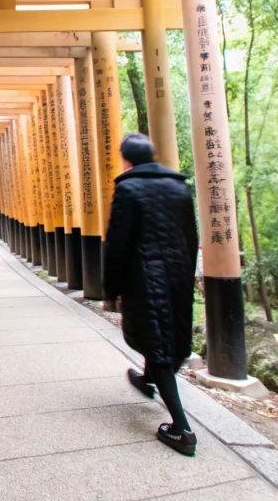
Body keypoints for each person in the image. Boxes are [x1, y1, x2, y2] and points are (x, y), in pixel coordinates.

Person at [103, 133, 199, 456]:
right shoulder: (179, 187)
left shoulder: (128, 188)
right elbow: (191, 235)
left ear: (127, 159)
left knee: (155, 339)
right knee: (164, 331)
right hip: (178, 270)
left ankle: (181, 429)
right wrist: (187, 271)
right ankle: (147, 380)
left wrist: (111, 286)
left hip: (145, 273)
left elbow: (117, 242)